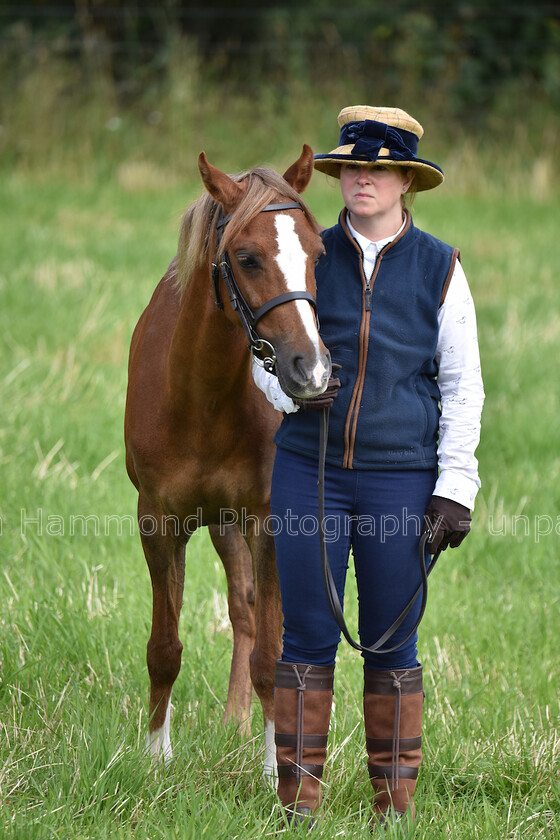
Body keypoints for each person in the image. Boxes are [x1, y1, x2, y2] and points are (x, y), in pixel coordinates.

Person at [252, 105, 484, 829]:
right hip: (308, 472)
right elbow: (262, 356)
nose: (362, 179)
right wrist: (286, 390)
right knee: (306, 637)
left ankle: (394, 809)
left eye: (378, 169)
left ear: (405, 181)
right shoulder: (308, 252)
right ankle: (298, 807)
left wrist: (455, 486)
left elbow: (462, 384)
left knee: (392, 640)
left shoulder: (440, 266)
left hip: (402, 480)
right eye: (353, 166)